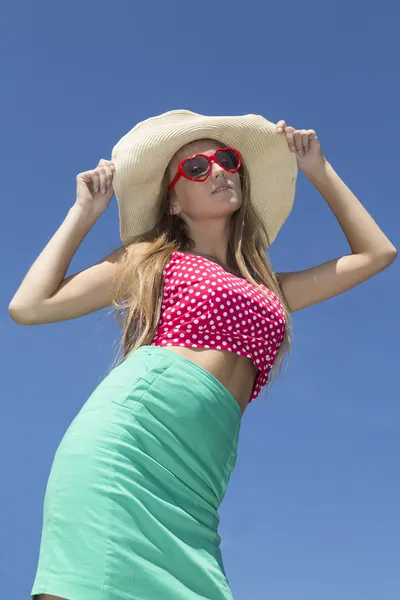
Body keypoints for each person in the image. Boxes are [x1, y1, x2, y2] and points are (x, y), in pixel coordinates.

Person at [9, 109, 397, 600]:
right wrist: (83, 214)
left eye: (228, 160)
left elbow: (376, 254)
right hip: (128, 448)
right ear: (173, 200)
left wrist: (318, 169)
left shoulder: (268, 288)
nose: (218, 171)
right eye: (197, 167)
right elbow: (29, 305)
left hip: (199, 480)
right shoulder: (150, 260)